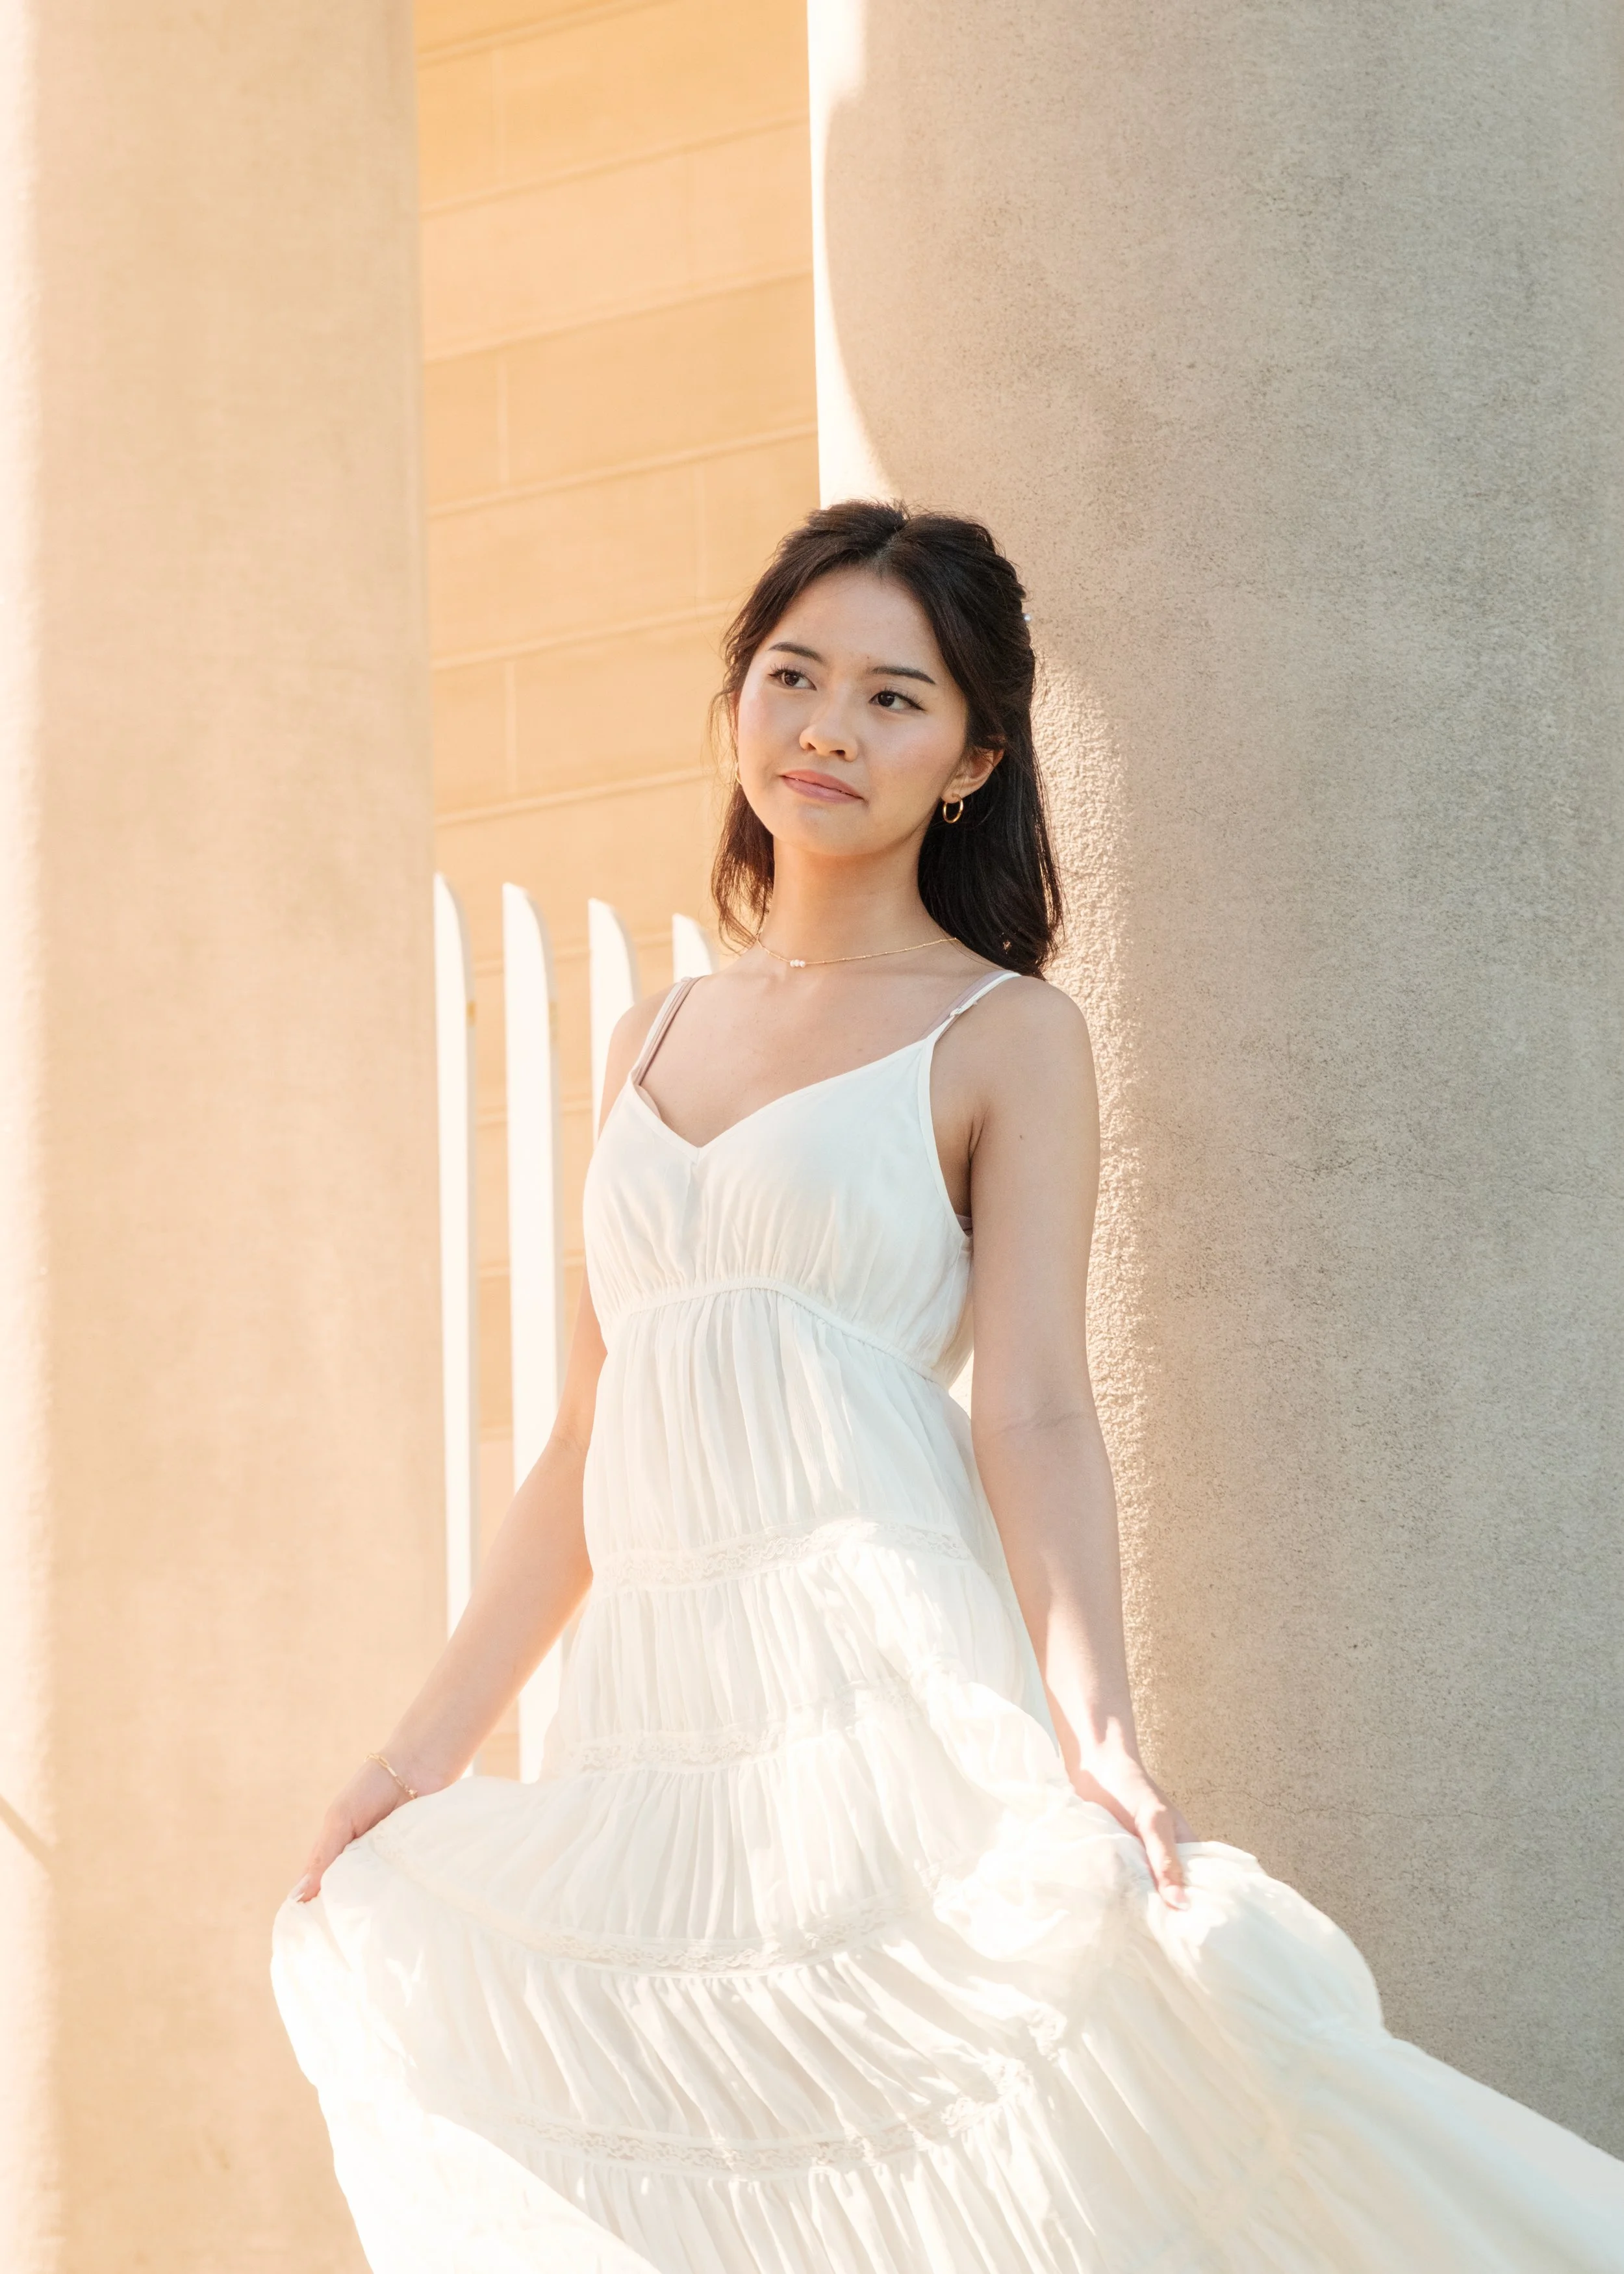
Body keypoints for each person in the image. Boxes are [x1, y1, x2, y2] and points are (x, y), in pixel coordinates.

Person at [273, 501, 1624, 2273]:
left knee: (1016, 2113)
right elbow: (588, 1438)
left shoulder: (999, 1034)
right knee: (713, 2141)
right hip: (667, 1705)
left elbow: (1038, 1406)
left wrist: (1100, 1733)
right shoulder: (650, 1034)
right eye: (793, 674)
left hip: (874, 1667)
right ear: (740, 701)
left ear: (974, 757)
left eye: (893, 698)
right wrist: (415, 1750)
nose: (829, 726)